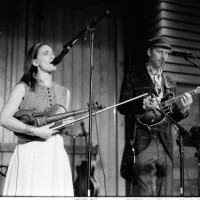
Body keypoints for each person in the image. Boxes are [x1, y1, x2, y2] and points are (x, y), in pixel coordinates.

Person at [117, 36, 193, 196]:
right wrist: (142, 105)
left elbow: (170, 117)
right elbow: (122, 106)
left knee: (166, 194)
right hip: (142, 142)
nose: (163, 56)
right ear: (149, 51)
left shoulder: (170, 82)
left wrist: (184, 110)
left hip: (165, 143)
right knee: (145, 194)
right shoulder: (133, 76)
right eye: (160, 51)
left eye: (166, 53)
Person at [0, 43, 74, 196]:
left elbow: (59, 127)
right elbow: (4, 118)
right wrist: (35, 131)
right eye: (46, 53)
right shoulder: (23, 87)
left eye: (53, 53)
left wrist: (68, 122)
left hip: (55, 152)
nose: (53, 55)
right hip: (31, 152)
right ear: (35, 62)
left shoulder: (64, 92)